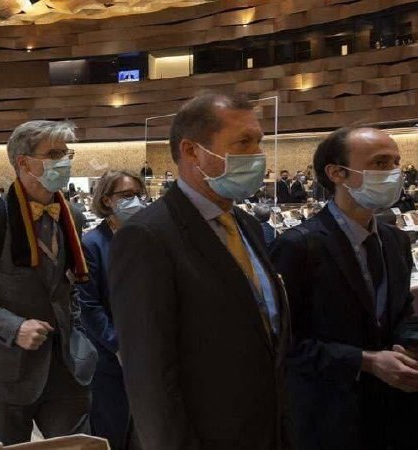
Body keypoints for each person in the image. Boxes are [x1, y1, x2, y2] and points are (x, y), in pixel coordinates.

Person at [109, 93, 289, 449]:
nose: (258, 155)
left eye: (259, 142)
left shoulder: (247, 225)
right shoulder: (147, 236)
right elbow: (149, 374)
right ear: (192, 151)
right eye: (243, 142)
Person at [0, 120, 97, 445]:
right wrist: (13, 327)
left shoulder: (70, 214)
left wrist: (78, 332)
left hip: (67, 369)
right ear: (24, 163)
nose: (65, 161)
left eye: (67, 153)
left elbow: (68, 283)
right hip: (6, 369)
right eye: (54, 154)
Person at [270, 127, 418, 450]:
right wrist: (367, 361)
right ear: (337, 173)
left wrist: (407, 347)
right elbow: (286, 345)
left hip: (393, 413)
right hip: (328, 416)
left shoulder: (395, 240)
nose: (393, 172)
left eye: (396, 162)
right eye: (380, 163)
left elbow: (402, 311)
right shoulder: (297, 247)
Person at [76, 170, 145, 450]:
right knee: (113, 429)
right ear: (107, 200)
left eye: (138, 195)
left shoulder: (145, 237)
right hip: (109, 355)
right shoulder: (92, 244)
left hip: (147, 350)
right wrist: (117, 345)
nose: (136, 201)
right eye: (127, 195)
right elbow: (88, 305)